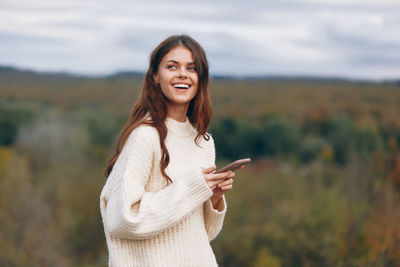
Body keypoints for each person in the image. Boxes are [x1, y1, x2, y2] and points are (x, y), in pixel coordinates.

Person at [100, 34, 236, 267]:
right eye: (172, 66)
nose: (182, 74)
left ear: (200, 78)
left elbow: (201, 235)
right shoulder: (145, 136)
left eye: (191, 68)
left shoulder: (203, 141)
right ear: (155, 76)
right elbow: (123, 219)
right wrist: (193, 187)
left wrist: (213, 199)